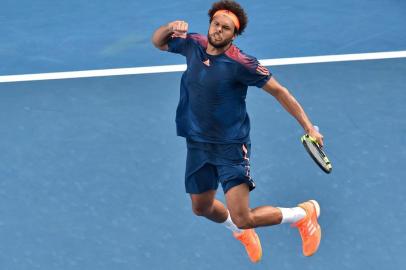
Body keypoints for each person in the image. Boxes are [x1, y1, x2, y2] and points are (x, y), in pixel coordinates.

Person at [152, 0, 323, 263]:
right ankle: (241, 233)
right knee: (202, 207)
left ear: (235, 34)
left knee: (244, 217)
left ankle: (303, 214)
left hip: (230, 147)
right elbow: (158, 42)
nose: (218, 30)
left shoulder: (242, 63)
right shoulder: (193, 43)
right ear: (210, 23)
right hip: (197, 142)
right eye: (216, 24)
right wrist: (168, 27)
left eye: (226, 28)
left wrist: (309, 127)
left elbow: (280, 92)